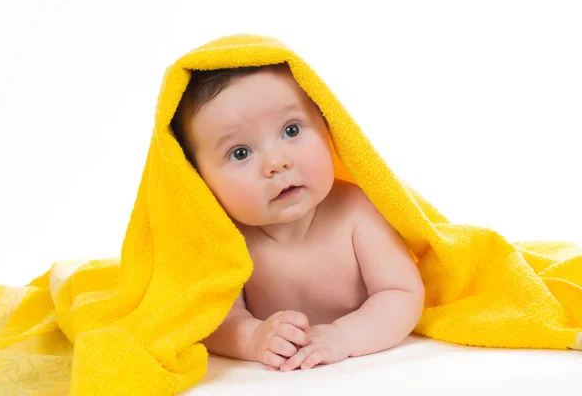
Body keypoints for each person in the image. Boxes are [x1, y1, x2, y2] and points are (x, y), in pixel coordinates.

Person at [171, 62, 424, 372]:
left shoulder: (356, 211)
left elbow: (402, 293)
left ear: (327, 126)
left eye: (291, 130)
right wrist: (254, 338)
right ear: (197, 178)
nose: (276, 162)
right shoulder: (225, 239)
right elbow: (213, 319)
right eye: (240, 152)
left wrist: (343, 336)